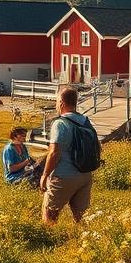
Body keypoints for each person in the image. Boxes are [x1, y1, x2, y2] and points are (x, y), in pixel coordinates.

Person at [40, 87, 95, 224]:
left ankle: (49, 241)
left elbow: (54, 153)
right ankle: (84, 242)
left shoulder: (60, 123)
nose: (56, 105)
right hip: (85, 175)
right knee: (81, 217)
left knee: (50, 214)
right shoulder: (85, 121)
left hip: (64, 176)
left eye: (57, 101)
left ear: (62, 103)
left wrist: (44, 175)